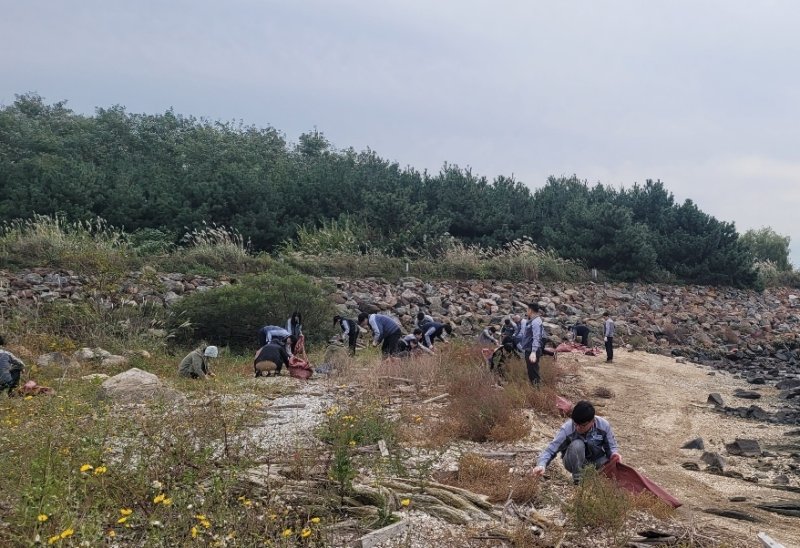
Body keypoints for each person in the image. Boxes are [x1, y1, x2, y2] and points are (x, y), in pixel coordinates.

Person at [532, 400, 621, 484]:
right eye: (575, 424)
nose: (578, 428)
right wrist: (541, 465)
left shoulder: (604, 426)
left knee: (609, 464)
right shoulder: (567, 429)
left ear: (592, 421)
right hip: (573, 462)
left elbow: (611, 448)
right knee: (577, 444)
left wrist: (614, 455)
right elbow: (550, 450)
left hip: (596, 461)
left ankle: (601, 482)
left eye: (582, 425)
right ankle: (578, 481)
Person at [520, 302, 543, 385]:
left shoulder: (535, 322)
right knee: (532, 371)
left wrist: (533, 351)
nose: (526, 311)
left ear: (530, 310)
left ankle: (537, 391)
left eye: (527, 309)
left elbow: (536, 337)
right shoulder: (534, 320)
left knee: (533, 372)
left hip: (532, 350)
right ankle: (535, 389)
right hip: (530, 349)